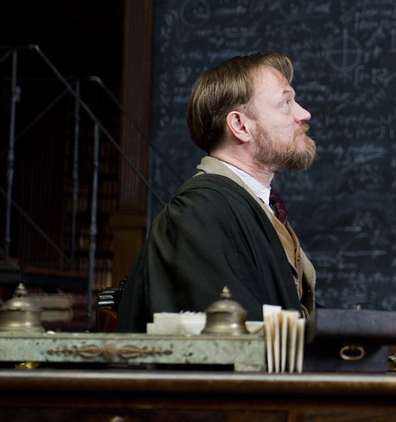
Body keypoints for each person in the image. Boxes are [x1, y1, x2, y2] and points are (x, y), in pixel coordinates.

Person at [116, 52, 317, 332]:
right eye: (286, 103)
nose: (303, 114)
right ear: (240, 126)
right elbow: (230, 341)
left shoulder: (249, 205)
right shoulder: (198, 213)